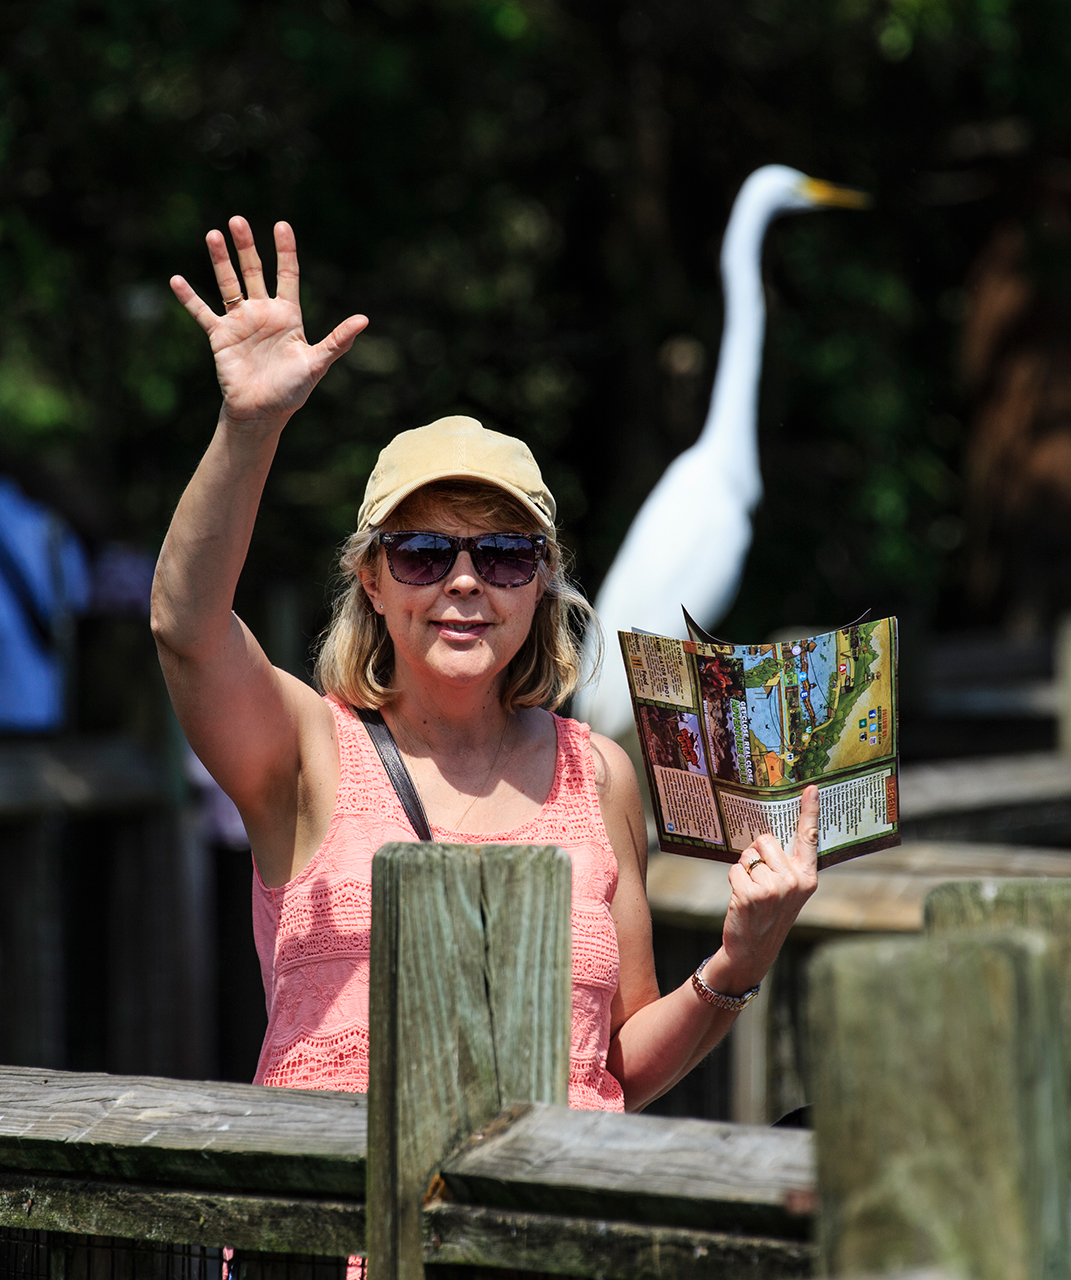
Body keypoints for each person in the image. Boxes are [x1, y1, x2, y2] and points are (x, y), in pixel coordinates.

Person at [151, 216, 818, 1113]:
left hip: (540, 1239)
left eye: (503, 554)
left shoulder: (600, 774)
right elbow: (185, 627)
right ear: (372, 582)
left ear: (541, 583)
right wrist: (249, 427)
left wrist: (742, 959)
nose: (464, 582)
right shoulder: (307, 749)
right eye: (424, 553)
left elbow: (613, 1072)